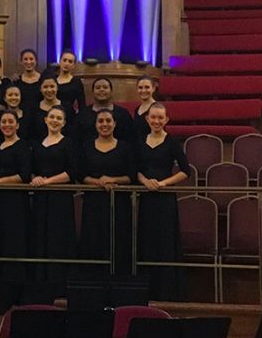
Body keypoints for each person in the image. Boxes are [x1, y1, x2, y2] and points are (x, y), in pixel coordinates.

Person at [137, 103, 190, 301]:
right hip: (147, 198)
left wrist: (163, 183)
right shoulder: (141, 141)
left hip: (165, 198)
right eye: (153, 117)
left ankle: (166, 292)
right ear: (147, 119)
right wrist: (145, 182)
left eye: (160, 118)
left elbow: (186, 170)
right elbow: (137, 169)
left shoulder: (172, 142)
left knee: (165, 242)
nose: (157, 121)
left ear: (166, 120)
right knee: (147, 240)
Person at [78, 109, 134, 275]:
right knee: (93, 239)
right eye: (101, 121)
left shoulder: (125, 147)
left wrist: (112, 180)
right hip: (93, 202)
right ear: (95, 125)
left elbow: (131, 176)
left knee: (118, 239)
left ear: (114, 124)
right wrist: (99, 182)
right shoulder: (86, 146)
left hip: (119, 203)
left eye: (108, 121)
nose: (105, 124)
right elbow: (81, 175)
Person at [0, 110, 31, 281]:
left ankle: (15, 281)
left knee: (14, 239)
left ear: (17, 125)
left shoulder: (23, 146)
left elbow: (24, 175)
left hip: (16, 201)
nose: (7, 125)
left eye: (11, 121)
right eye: (4, 121)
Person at [30, 105, 76, 282]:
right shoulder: (37, 144)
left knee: (58, 238)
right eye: (52, 117)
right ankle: (41, 281)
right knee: (40, 236)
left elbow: (71, 172)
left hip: (60, 198)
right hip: (41, 198)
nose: (55, 121)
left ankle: (59, 281)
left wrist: (46, 181)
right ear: (45, 119)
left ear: (64, 123)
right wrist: (35, 179)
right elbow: (33, 170)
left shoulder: (69, 143)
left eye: (59, 118)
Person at [75, 77, 134, 148]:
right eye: (98, 88)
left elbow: (130, 139)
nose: (101, 90)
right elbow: (76, 140)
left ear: (111, 91)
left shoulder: (123, 114)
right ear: (93, 92)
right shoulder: (83, 114)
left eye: (105, 87)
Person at [54, 50, 86, 124]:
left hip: (69, 116)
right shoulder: (52, 80)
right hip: (53, 116)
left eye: (70, 61)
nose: (67, 64)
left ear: (74, 65)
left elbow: (82, 104)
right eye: (64, 60)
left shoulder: (76, 82)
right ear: (60, 61)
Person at [29, 77, 60, 142]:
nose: (49, 90)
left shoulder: (67, 107)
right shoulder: (33, 108)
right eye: (45, 87)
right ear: (40, 89)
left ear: (57, 88)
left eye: (52, 86)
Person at [14, 48, 41, 113]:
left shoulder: (42, 80)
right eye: (25, 59)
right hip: (22, 116)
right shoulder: (17, 81)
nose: (28, 62)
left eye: (31, 59)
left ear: (36, 61)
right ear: (21, 62)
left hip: (39, 115)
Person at [133, 75, 158, 141]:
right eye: (140, 88)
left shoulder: (158, 109)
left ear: (153, 88)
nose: (143, 91)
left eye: (147, 87)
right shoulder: (137, 109)